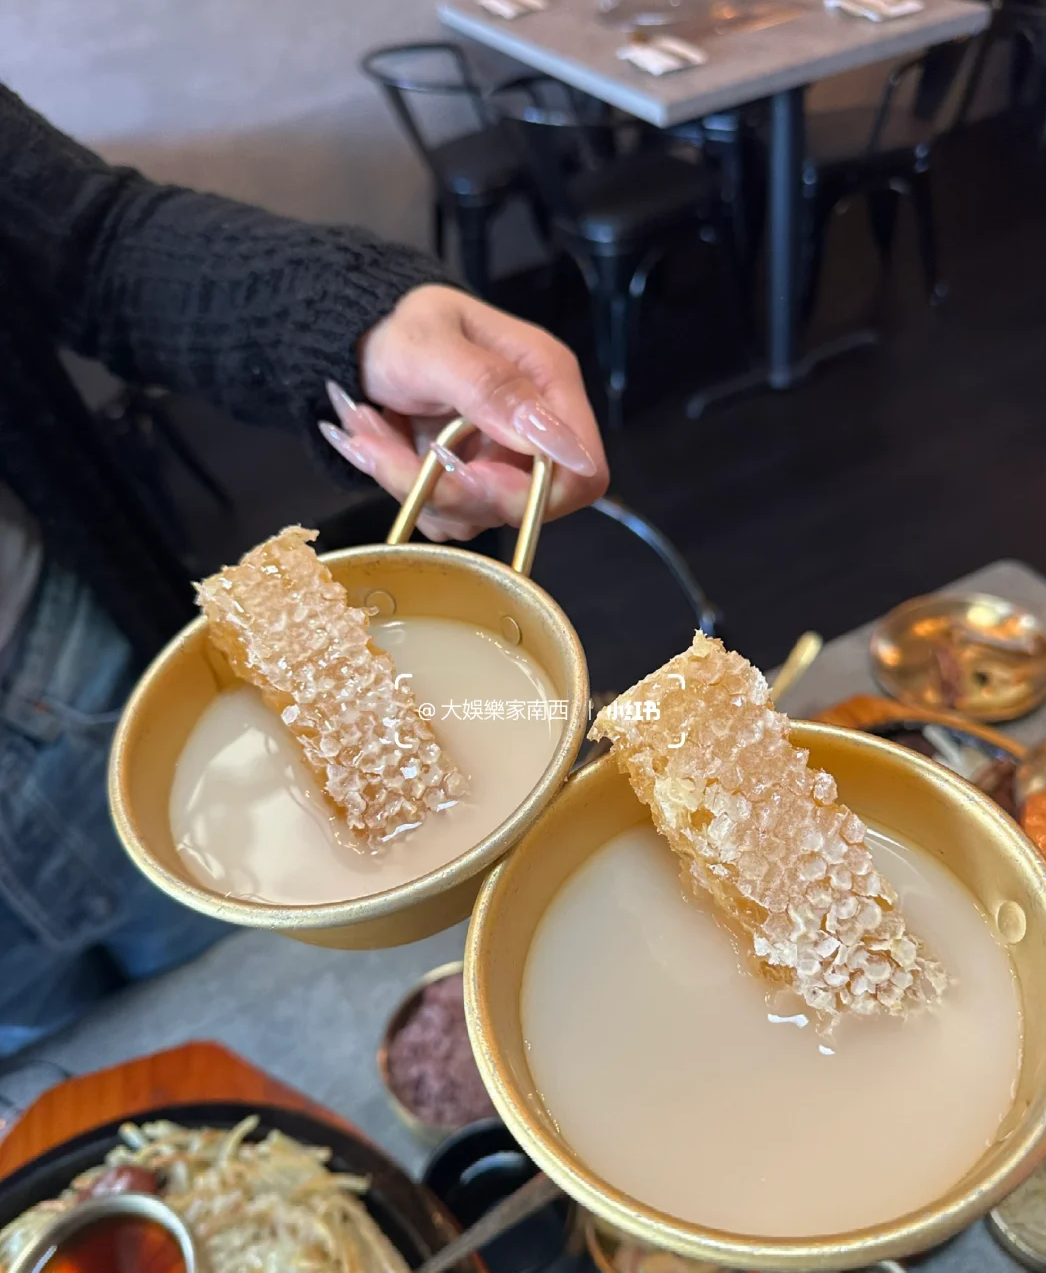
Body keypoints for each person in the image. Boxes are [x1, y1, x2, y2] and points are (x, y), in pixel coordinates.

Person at [0, 83, 608, 1060]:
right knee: (53, 1056)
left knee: (238, 995)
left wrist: (361, 329)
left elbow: (88, 240)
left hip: (72, 668)